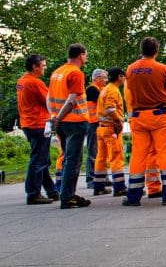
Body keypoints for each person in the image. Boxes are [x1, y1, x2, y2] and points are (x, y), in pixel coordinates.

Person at [123, 37, 166, 206]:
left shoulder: (130, 69)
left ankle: (133, 196)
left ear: (141, 50)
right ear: (157, 50)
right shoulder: (162, 69)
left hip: (138, 117)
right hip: (159, 116)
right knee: (164, 153)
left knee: (139, 155)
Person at [48, 43, 91, 209]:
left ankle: (68, 194)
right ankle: (67, 196)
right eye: (85, 55)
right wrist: (59, 117)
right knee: (73, 160)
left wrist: (54, 117)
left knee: (67, 158)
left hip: (61, 123)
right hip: (75, 121)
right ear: (80, 55)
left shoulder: (57, 72)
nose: (85, 58)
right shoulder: (75, 73)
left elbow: (48, 97)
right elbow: (72, 100)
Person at [17, 54, 58, 204]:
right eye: (43, 65)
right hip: (39, 124)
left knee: (42, 159)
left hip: (28, 123)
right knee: (39, 161)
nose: (45, 68)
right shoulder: (35, 83)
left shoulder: (22, 81)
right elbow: (50, 101)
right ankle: (33, 193)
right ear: (35, 67)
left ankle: (52, 191)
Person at [93, 67, 127, 196]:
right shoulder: (113, 90)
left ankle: (99, 186)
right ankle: (119, 187)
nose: (124, 79)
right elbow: (110, 109)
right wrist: (118, 122)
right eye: (123, 76)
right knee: (116, 157)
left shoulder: (105, 89)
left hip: (101, 128)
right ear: (120, 77)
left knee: (101, 158)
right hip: (111, 128)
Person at [85, 69, 107, 189]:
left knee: (101, 152)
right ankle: (91, 178)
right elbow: (102, 102)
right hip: (93, 123)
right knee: (93, 152)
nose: (106, 80)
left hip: (100, 123)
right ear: (97, 78)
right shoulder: (92, 89)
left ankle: (101, 177)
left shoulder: (101, 89)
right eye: (104, 77)